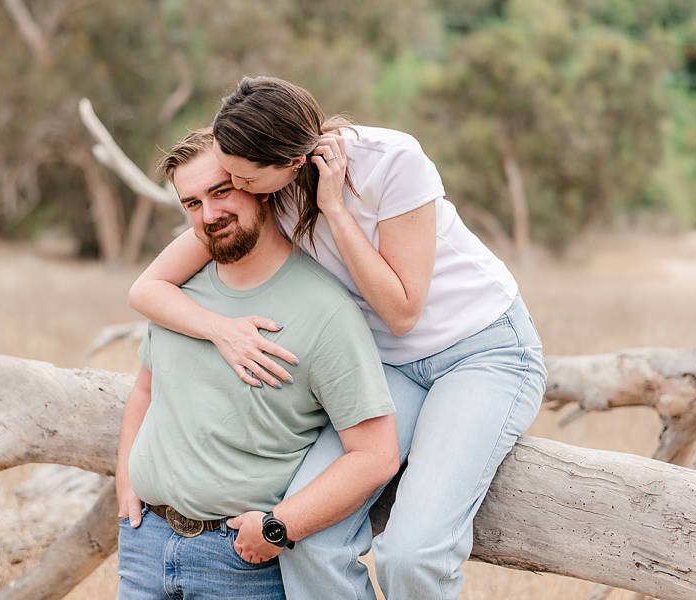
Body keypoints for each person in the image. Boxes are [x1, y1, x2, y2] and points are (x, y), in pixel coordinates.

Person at [128, 76, 548, 600]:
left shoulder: (392, 159)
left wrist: (335, 209)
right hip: (389, 366)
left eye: (239, 177)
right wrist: (222, 331)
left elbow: (401, 311)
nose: (231, 186)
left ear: (285, 159)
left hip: (482, 351)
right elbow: (148, 288)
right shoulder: (267, 190)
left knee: (411, 555)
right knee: (306, 535)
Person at [115, 128, 400, 600]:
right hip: (145, 544)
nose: (209, 214)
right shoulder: (178, 292)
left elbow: (376, 455)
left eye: (221, 191)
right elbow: (145, 392)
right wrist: (127, 480)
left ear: (257, 186)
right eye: (191, 203)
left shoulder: (325, 311)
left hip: (240, 562)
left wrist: (276, 527)